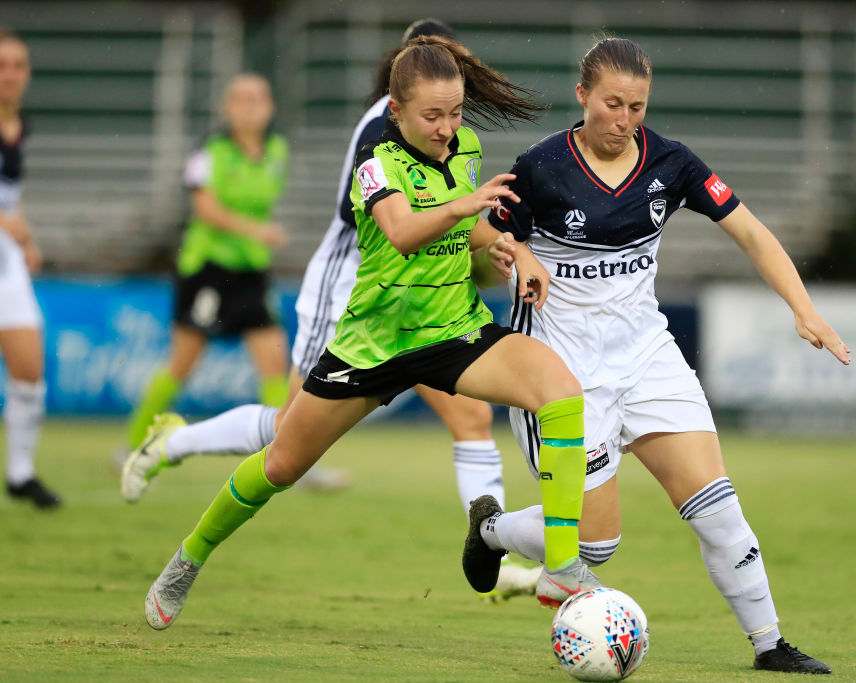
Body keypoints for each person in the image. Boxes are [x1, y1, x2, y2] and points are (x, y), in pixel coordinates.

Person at [141, 36, 601, 631]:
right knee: (281, 463)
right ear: (396, 108)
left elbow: (474, 236)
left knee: (561, 390)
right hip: (374, 344)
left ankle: (562, 566)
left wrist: (515, 250)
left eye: (455, 113)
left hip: (453, 331)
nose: (446, 128)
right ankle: (187, 559)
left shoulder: (465, 149)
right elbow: (404, 231)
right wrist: (469, 209)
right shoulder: (374, 157)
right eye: (432, 116)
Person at [479, 37, 848, 673]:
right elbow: (482, 232)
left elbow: (751, 232)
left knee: (718, 508)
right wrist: (518, 252)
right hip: (561, 372)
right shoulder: (541, 167)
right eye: (612, 104)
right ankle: (490, 532)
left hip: (647, 357)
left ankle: (770, 645)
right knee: (598, 543)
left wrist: (803, 307)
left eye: (638, 108)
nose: (623, 121)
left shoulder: (671, 164)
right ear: (583, 97)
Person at [120, 74, 291, 458]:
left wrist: (257, 238)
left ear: (270, 108)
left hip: (252, 271)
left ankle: (288, 454)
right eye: (241, 99)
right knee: (182, 363)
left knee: (275, 363)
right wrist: (257, 230)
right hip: (208, 269)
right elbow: (205, 209)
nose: (250, 107)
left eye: (258, 98)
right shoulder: (209, 151)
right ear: (226, 108)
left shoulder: (278, 150)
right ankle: (132, 446)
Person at [0, 28, 59, 508]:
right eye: (2, 65)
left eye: (18, 65)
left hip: (5, 262)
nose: (10, 75)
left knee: (29, 369)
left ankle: (20, 473)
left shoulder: (21, 125)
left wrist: (26, 239)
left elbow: (10, 200)